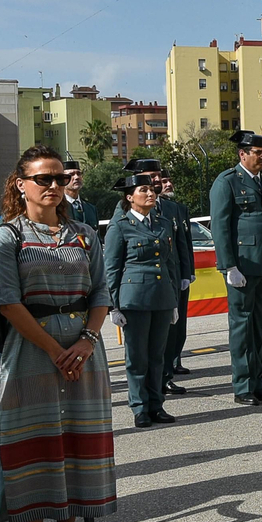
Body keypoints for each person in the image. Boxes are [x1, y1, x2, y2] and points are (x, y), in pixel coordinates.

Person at [0, 145, 114, 522]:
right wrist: (52, 348)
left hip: (85, 351)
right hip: (32, 351)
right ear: (20, 185)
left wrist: (85, 342)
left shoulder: (84, 234)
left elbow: (101, 292)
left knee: (80, 443)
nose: (54, 186)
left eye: (60, 178)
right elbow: (6, 301)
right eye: (44, 179)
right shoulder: (7, 237)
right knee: (37, 444)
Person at [209, 132, 262, 404]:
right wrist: (229, 266)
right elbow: (220, 227)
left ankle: (258, 382)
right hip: (243, 267)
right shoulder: (227, 182)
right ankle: (243, 387)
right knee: (242, 328)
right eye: (258, 153)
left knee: (261, 327)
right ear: (242, 154)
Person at [104, 172, 181, 427]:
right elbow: (112, 267)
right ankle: (139, 408)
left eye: (152, 189)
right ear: (129, 198)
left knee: (157, 356)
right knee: (137, 357)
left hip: (160, 299)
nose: (150, 193)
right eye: (143, 190)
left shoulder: (162, 223)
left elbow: (169, 263)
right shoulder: (120, 226)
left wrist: (173, 302)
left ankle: (157, 405)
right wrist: (113, 305)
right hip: (134, 299)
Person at [154, 172, 195, 395]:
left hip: (176, 274)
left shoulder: (172, 208)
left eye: (160, 178)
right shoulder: (131, 207)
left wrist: (187, 273)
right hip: (151, 280)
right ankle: (153, 380)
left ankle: (167, 374)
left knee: (176, 330)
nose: (159, 182)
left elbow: (183, 242)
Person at [61, 160, 99, 231]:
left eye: (79, 173)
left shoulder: (91, 208)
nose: (76, 177)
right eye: (71, 174)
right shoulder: (57, 208)